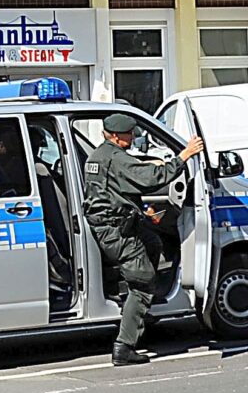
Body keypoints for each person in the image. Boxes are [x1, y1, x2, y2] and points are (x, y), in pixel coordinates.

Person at [82, 113, 204, 366]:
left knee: (154, 242)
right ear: (115, 136)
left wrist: (140, 211)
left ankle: (136, 311)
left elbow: (114, 191)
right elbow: (151, 178)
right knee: (143, 283)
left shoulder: (97, 156)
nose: (134, 137)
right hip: (118, 231)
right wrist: (184, 155)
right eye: (129, 134)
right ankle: (124, 347)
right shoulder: (117, 159)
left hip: (117, 224)